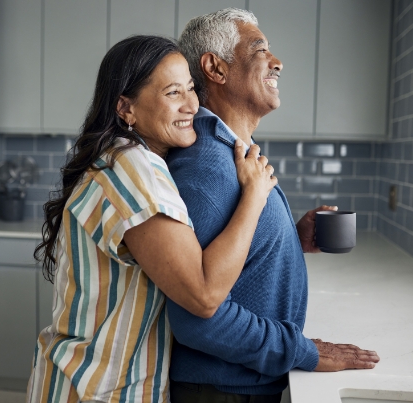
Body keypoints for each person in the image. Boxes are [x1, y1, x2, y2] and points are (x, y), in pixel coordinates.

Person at [27, 35, 277, 403]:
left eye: (191, 88)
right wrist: (255, 196)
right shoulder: (132, 169)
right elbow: (204, 294)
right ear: (126, 109)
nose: (192, 104)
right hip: (96, 390)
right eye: (173, 93)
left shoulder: (127, 160)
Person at [165, 8, 381, 402]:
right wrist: (304, 351)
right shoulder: (207, 166)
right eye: (260, 49)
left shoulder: (230, 152)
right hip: (220, 392)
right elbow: (199, 319)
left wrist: (290, 239)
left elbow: (228, 260)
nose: (277, 62)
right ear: (215, 67)